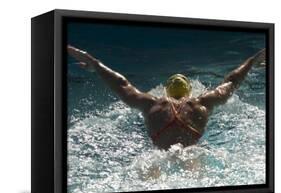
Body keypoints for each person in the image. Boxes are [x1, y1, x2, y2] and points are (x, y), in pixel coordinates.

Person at [67, 45, 265, 150]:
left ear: (166, 91)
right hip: (192, 154)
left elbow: (122, 85)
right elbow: (231, 82)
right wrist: (252, 61)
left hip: (158, 158)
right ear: (189, 91)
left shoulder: (152, 104)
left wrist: (95, 63)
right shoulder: (201, 104)